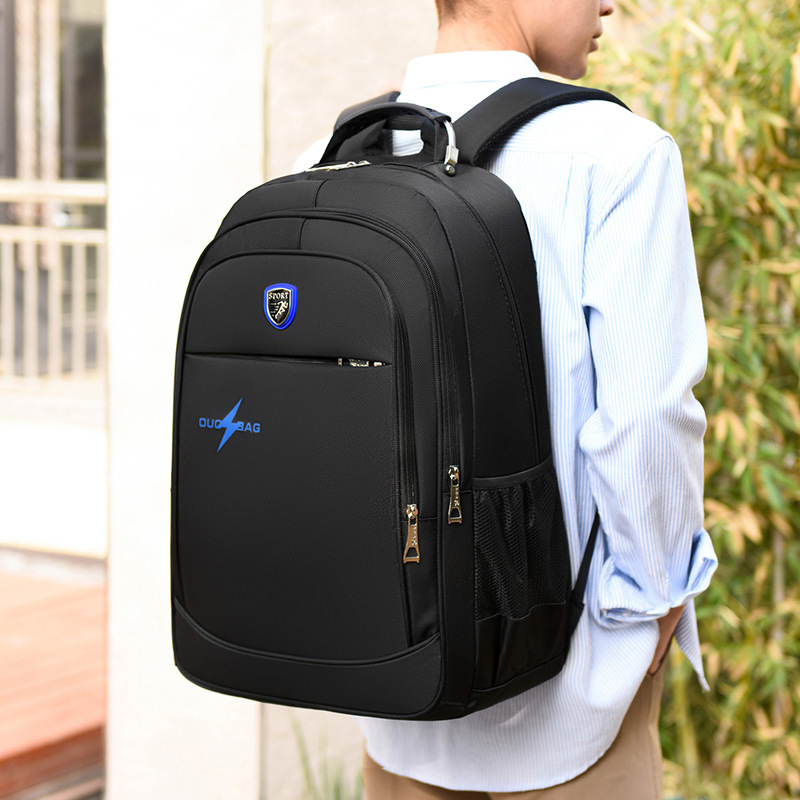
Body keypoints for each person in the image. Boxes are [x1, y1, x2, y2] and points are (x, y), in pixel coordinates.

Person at [296, 1, 718, 797]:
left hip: (395, 684)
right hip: (572, 704)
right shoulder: (617, 154)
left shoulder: (331, 157)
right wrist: (657, 603)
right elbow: (644, 421)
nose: (609, 5)